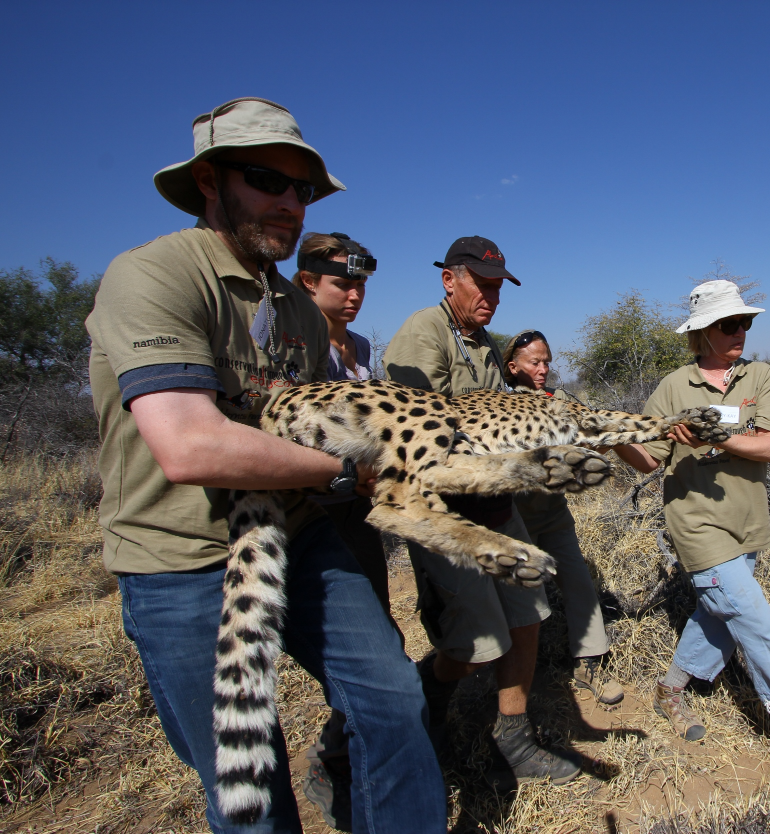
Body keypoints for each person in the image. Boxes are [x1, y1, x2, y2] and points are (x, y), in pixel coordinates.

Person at [85, 97, 446, 832]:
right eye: (267, 180)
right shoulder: (153, 275)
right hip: (181, 557)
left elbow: (331, 424)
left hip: (298, 533)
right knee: (246, 776)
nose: (290, 204)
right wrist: (347, 473)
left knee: (392, 700)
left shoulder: (298, 308)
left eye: (303, 190)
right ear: (210, 182)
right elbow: (189, 444)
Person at [612, 280, 770, 800]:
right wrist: (616, 439)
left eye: (745, 322)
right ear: (701, 332)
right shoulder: (673, 387)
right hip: (695, 523)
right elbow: (651, 459)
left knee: (719, 614)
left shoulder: (759, 376)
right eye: (728, 324)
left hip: (748, 523)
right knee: (755, 620)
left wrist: (718, 436)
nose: (740, 331)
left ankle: (670, 689)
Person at [383, 238, 580, 786]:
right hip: (447, 513)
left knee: (526, 618)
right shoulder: (424, 333)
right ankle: (426, 708)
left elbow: (499, 419)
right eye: (482, 284)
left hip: (497, 504)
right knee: (474, 643)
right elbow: (425, 428)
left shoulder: (486, 343)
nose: (492, 295)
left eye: (498, 286)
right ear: (450, 280)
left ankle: (512, 735)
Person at [290, 231, 395, 830]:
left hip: (359, 509)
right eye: (341, 282)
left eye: (360, 284)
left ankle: (348, 756)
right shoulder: (294, 344)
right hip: (314, 509)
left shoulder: (357, 347)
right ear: (307, 282)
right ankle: (338, 764)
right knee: (357, 657)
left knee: (377, 626)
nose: (354, 294)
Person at [502, 330, 625, 705]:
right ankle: (516, 677)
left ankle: (589, 661)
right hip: (514, 515)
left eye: (546, 361)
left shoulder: (557, 402)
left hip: (552, 513)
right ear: (513, 367)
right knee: (518, 595)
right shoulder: (499, 407)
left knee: (577, 581)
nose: (542, 369)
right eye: (533, 362)